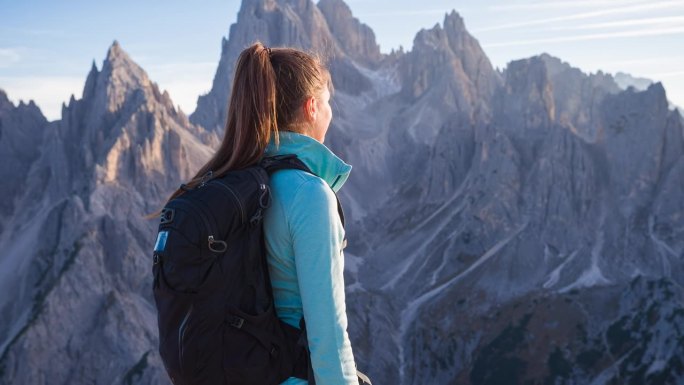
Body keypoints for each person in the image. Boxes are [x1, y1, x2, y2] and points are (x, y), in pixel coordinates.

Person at [169, 42, 358, 385]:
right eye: (328, 102)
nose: (332, 112)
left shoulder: (235, 182)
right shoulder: (310, 194)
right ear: (312, 107)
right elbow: (328, 333)